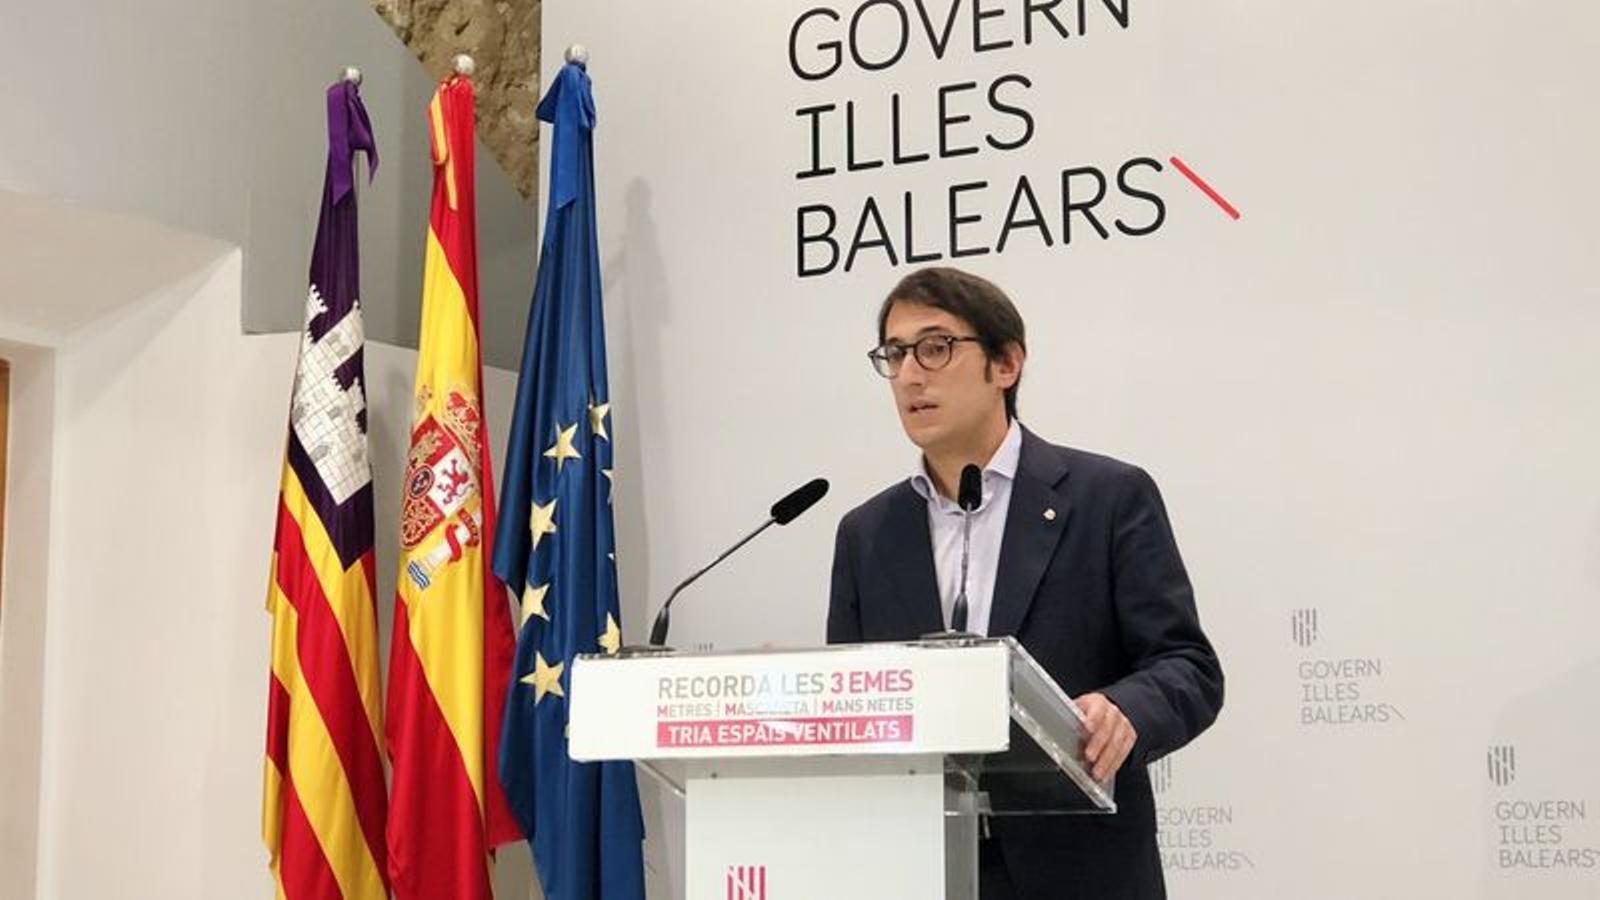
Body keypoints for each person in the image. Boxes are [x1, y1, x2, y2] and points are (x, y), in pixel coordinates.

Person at [827, 266, 1224, 900]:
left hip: (1077, 868)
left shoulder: (1108, 498)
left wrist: (1126, 709)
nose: (909, 375)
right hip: (917, 867)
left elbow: (1188, 667)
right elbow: (854, 705)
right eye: (894, 355)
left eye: (935, 347)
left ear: (1006, 363)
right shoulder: (867, 534)